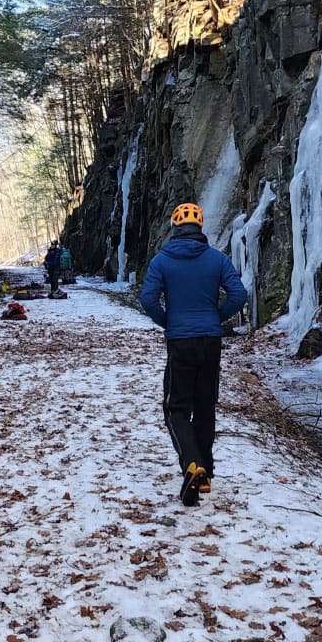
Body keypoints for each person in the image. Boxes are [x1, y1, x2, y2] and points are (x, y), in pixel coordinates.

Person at [140, 203, 247, 506]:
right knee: (204, 406)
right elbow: (239, 294)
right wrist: (218, 317)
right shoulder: (217, 259)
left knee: (175, 408)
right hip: (210, 341)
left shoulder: (162, 261)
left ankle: (191, 464)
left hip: (180, 341)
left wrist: (168, 321)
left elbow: (147, 299)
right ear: (200, 228)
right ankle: (207, 474)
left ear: (174, 227)